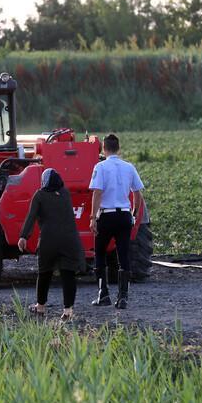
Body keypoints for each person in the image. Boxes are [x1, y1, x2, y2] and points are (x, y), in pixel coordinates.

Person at [18, 168, 86, 321]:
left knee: (44, 273)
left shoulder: (40, 195)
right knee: (68, 274)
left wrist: (23, 236)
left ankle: (40, 307)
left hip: (49, 240)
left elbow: (31, 216)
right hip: (70, 240)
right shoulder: (65, 193)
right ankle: (68, 311)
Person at [88, 134, 144, 309]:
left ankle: (103, 294)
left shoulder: (100, 167)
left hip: (106, 215)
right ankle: (123, 297)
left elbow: (97, 192)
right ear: (118, 149)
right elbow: (137, 193)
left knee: (100, 253)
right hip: (124, 216)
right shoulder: (129, 167)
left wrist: (92, 217)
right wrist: (133, 214)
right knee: (123, 255)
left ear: (104, 149)